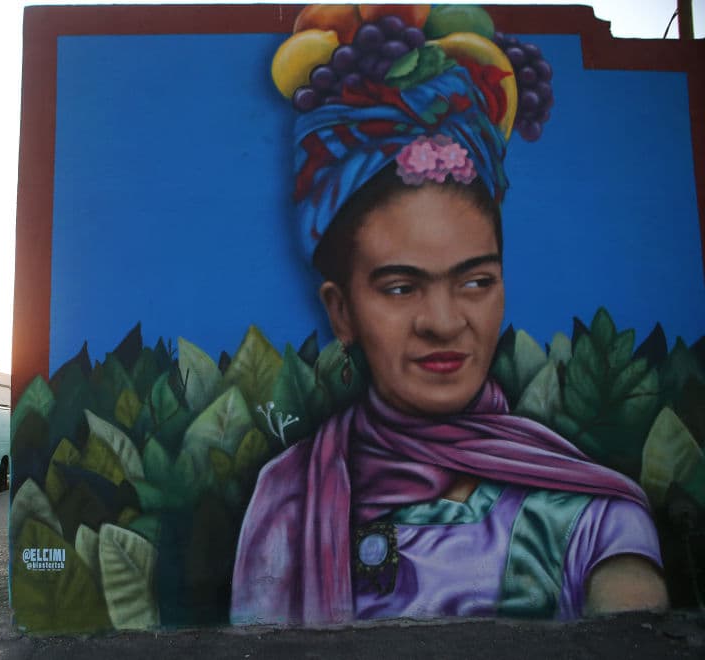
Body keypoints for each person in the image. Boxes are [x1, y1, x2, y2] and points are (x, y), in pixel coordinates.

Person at [231, 6, 667, 626]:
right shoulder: (289, 500)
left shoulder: (592, 522)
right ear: (342, 310)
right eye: (402, 287)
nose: (443, 321)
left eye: (475, 281)